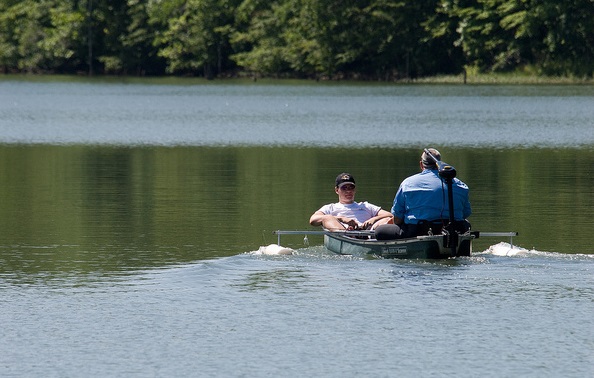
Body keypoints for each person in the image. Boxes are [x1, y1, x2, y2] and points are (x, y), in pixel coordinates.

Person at [377, 148, 471, 239]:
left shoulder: (408, 183)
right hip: (453, 230)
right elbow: (465, 213)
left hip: (417, 230)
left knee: (380, 231)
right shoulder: (460, 185)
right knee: (466, 224)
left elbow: (397, 219)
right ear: (439, 164)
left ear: (421, 164)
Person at [309, 173, 393, 231]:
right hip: (343, 233)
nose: (348, 191)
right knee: (327, 218)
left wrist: (373, 219)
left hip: (367, 233)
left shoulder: (366, 206)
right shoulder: (330, 208)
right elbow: (313, 220)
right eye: (344, 188)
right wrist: (342, 219)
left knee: (387, 219)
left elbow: (390, 215)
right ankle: (347, 234)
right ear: (337, 190)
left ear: (355, 189)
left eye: (351, 187)